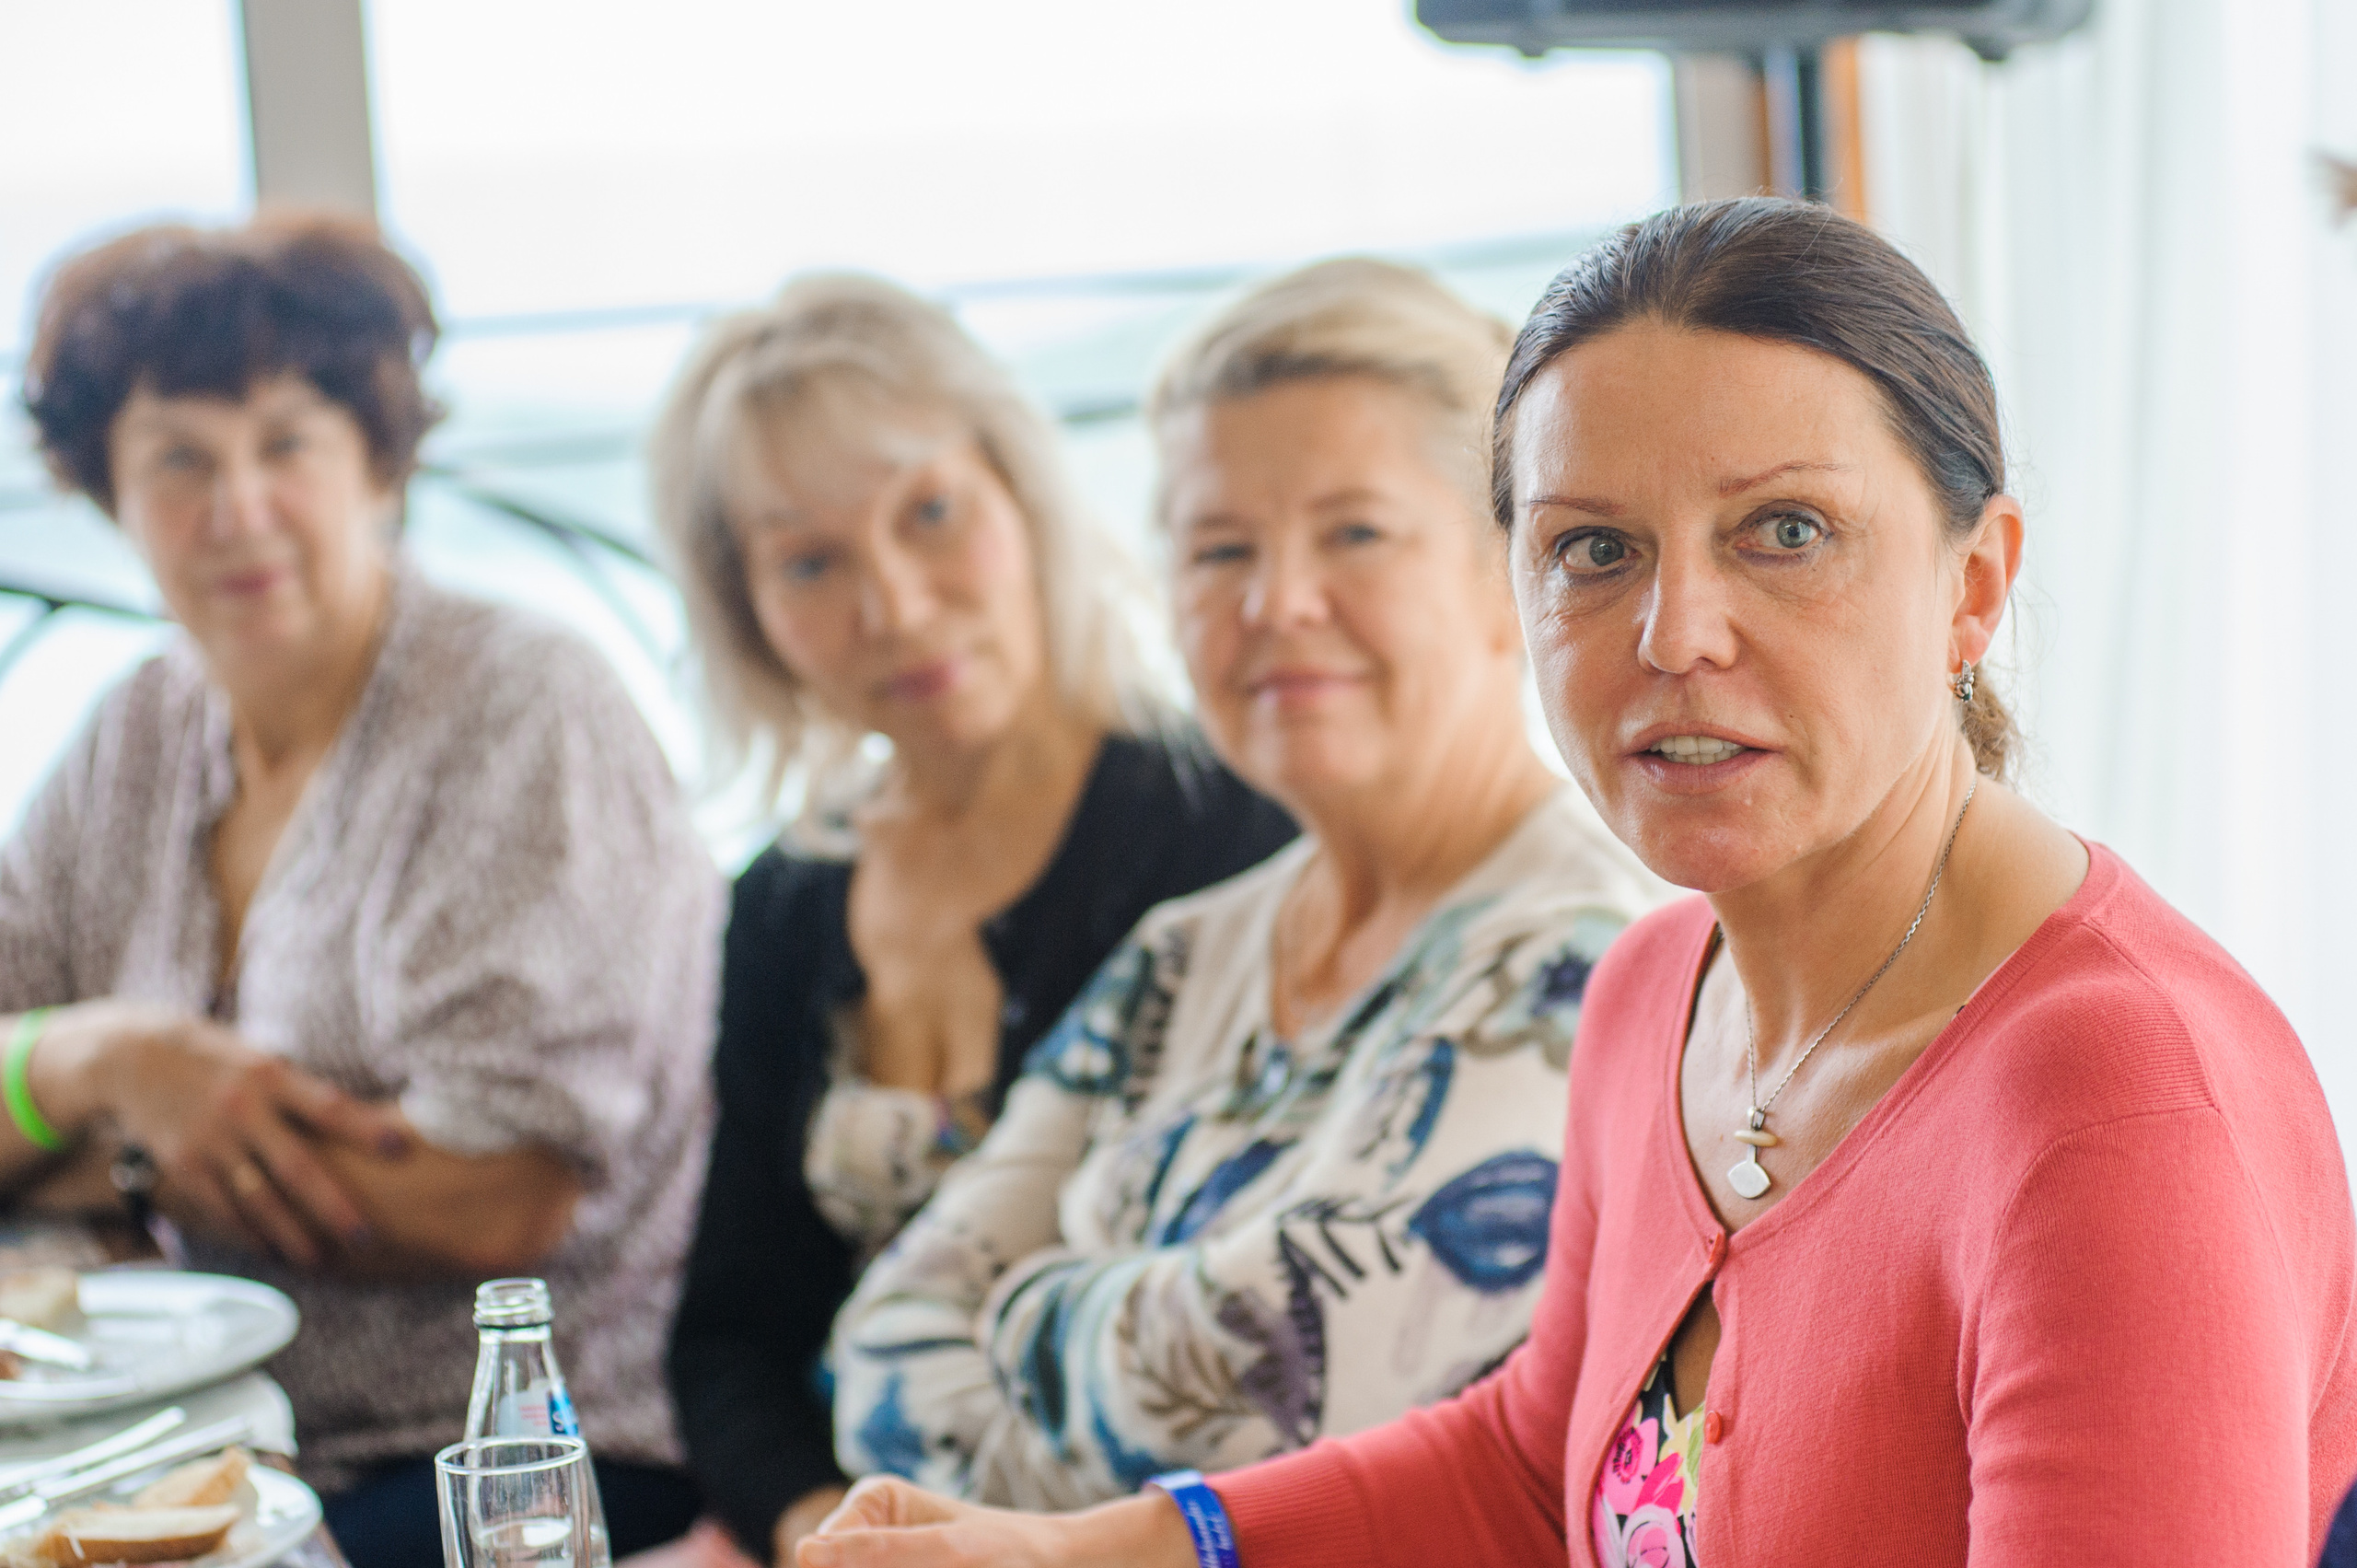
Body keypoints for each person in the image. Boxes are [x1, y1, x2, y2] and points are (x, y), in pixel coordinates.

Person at [793, 199, 2357, 1568]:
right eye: (1594, 550)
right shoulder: (1657, 993)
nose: (1676, 635)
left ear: (1976, 584)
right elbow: (1528, 1467)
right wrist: (1082, 1549)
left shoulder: (2117, 1109)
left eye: (1786, 531)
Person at [822, 258, 1666, 1512]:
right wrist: (1119, 1361)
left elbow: (1272, 1410)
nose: (1278, 603)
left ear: (1514, 568)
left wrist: (1027, 1305)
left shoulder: (1587, 957)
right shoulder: (1180, 952)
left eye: (1355, 533)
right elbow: (879, 1361)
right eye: (1220, 549)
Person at [0, 215, 720, 1568]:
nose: (238, 511)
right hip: (189, 1444)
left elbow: (492, 1199)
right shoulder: (133, 732)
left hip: (504, 1459)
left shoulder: (520, 707)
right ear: (106, 492)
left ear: (377, 464)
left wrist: (130, 1158)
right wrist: (105, 1058)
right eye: (179, 460)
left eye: (286, 444)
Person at [650, 275, 1298, 1565]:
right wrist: (820, 1534)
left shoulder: (1230, 832)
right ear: (748, 612)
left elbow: (1251, 1330)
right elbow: (729, 1337)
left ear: (1025, 495)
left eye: (931, 513)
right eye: (810, 561)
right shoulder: (782, 900)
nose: (893, 606)